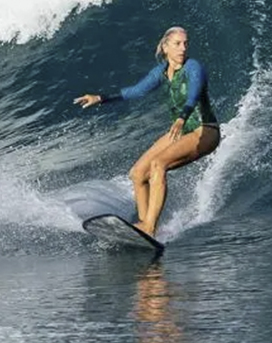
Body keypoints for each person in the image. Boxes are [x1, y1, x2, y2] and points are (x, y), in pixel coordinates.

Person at [74, 26, 220, 237]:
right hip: (182, 131)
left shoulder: (193, 67)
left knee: (158, 164)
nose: (183, 48)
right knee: (138, 173)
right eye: (177, 44)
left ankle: (149, 227)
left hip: (204, 130)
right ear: (165, 46)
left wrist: (182, 116)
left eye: (185, 44)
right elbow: (137, 91)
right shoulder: (162, 71)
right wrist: (102, 98)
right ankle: (145, 227)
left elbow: (195, 92)